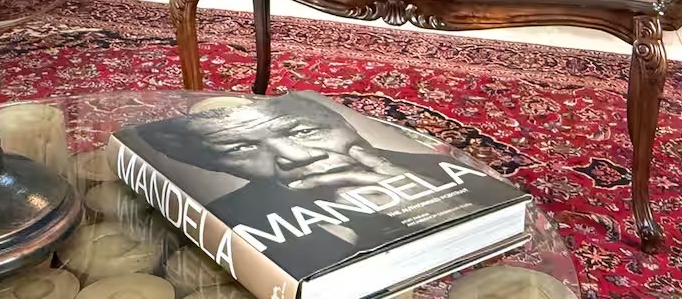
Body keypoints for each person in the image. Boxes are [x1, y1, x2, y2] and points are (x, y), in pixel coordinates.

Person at [137, 95, 461, 275]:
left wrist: (448, 212)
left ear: (345, 123)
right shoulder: (219, 221)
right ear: (211, 164)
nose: (296, 156)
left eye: (303, 131)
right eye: (239, 148)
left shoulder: (448, 172)